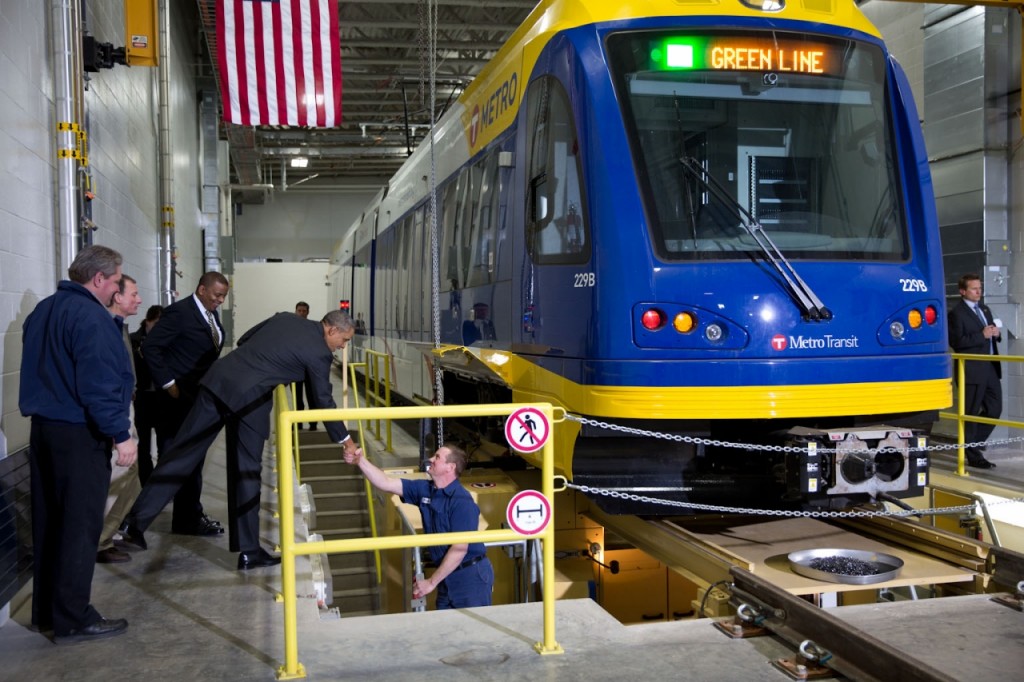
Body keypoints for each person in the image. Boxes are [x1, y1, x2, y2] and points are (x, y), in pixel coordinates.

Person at [121, 311, 361, 570]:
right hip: (252, 401)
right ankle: (248, 551)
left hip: (219, 383)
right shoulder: (319, 353)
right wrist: (346, 441)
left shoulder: (284, 318)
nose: (343, 346)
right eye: (345, 340)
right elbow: (323, 401)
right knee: (246, 472)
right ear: (332, 330)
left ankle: (133, 524)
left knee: (181, 455)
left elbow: (244, 339)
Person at [19, 244, 137, 643]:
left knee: (50, 523)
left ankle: (47, 613)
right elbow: (98, 382)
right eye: (117, 281)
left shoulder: (43, 311)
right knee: (79, 528)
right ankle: (73, 618)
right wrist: (121, 434)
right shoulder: (91, 317)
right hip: (79, 434)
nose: (118, 289)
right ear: (99, 279)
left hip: (44, 431)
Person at [344, 443, 494, 609]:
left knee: (473, 632)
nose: (430, 459)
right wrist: (361, 461)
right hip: (445, 576)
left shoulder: (461, 502)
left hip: (470, 578)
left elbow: (459, 549)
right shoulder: (425, 489)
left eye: (437, 457)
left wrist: (431, 582)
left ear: (450, 467)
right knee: (448, 632)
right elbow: (385, 482)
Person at [141, 272, 230, 536]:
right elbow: (151, 347)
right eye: (217, 295)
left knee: (192, 461)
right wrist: (169, 383)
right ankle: (140, 521)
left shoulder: (209, 315)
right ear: (202, 289)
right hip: (176, 402)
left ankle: (187, 516)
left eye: (224, 296)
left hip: (195, 399)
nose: (221, 300)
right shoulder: (180, 312)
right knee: (178, 462)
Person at [96, 275, 144, 564]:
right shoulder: (103, 327)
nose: (138, 299)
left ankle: (106, 535)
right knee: (119, 476)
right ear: (117, 297)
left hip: (126, 409)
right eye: (134, 294)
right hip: (116, 414)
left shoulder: (119, 327)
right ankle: (98, 542)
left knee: (132, 480)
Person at [948, 273, 1002, 469]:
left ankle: (971, 444)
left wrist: (996, 333)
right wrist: (982, 335)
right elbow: (957, 342)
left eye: (980, 288)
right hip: (970, 369)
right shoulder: (956, 313)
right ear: (963, 291)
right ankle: (973, 455)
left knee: (995, 409)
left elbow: (991, 331)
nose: (979, 292)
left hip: (989, 367)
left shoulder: (984, 309)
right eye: (974, 288)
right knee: (970, 413)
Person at [131, 304, 164, 485]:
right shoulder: (134, 341)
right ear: (148, 321)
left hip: (161, 398)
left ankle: (161, 484)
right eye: (157, 323)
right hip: (142, 398)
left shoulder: (166, 342)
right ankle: (147, 483)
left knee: (164, 444)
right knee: (143, 445)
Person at [293, 301, 318, 431]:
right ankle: (298, 424)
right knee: (297, 399)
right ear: (295, 312)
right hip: (295, 369)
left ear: (308, 312)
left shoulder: (313, 328)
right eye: (299, 311)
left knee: (312, 397)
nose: (302, 313)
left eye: (304, 311)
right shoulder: (290, 328)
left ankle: (313, 424)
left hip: (309, 369)